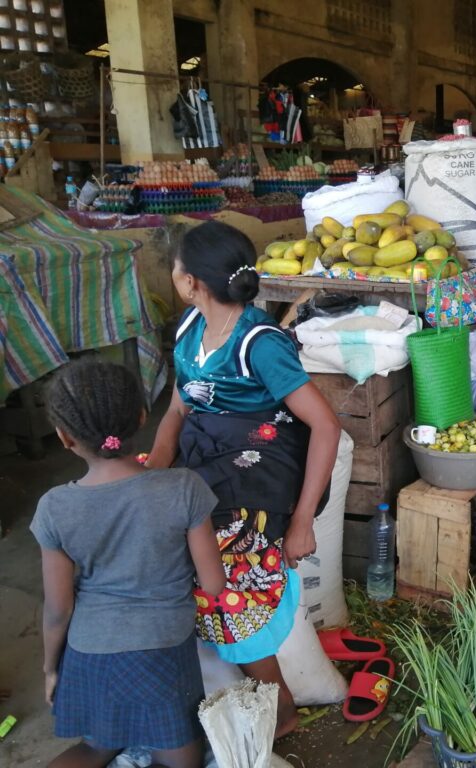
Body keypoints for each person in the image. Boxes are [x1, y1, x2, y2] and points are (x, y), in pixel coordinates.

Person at [147, 221, 341, 738]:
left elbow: (326, 425)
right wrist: (155, 470)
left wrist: (302, 522)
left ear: (191, 281)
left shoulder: (260, 343)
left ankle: (281, 711)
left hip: (261, 466)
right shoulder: (189, 331)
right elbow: (176, 409)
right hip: (206, 456)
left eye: (176, 267)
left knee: (230, 584)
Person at [31, 360, 225, 768]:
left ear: (65, 438)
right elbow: (212, 584)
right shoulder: (183, 487)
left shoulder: (54, 508)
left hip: (90, 651)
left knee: (96, 747)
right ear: (141, 417)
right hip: (163, 651)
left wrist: (52, 669)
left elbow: (58, 609)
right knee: (180, 759)